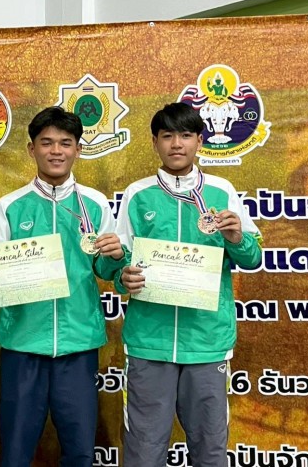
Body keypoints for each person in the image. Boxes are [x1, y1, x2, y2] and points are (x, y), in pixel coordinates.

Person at [0, 106, 127, 467]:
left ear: (78, 149)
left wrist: (115, 256)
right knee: (16, 450)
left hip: (79, 343)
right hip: (22, 343)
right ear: (31, 149)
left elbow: (105, 269)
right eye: (46, 142)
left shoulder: (95, 204)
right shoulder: (9, 206)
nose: (56, 151)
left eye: (65, 143)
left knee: (80, 450)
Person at [115, 102, 262, 466]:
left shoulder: (222, 191)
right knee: (144, 450)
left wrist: (236, 238)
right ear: (154, 142)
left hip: (207, 341)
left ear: (200, 141)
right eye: (167, 136)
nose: (176, 144)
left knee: (210, 449)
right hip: (149, 342)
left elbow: (253, 258)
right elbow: (119, 261)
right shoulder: (137, 194)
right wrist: (123, 276)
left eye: (185, 135)